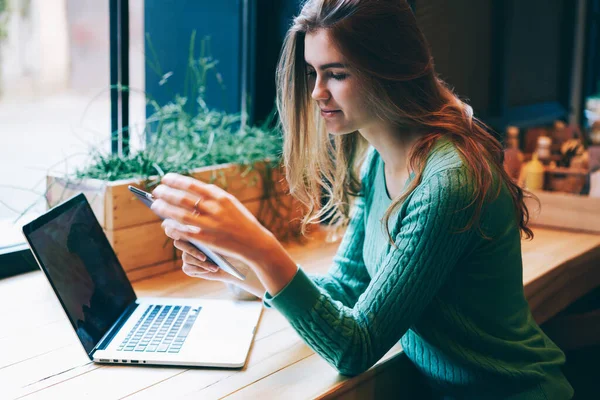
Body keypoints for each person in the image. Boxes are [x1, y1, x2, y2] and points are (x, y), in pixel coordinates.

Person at [150, 0, 573, 398]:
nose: (317, 92)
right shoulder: (379, 160)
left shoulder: (447, 183)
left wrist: (260, 246)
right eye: (313, 72)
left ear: (388, 69)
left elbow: (355, 347)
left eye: (336, 73)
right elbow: (347, 286)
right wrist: (239, 267)